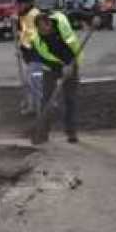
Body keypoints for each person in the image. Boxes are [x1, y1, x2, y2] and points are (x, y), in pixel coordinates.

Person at [33, 11, 83, 143]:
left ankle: (71, 132)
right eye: (40, 30)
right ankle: (42, 133)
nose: (43, 32)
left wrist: (69, 65)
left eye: (45, 28)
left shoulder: (62, 24)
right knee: (47, 99)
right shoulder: (38, 40)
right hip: (51, 68)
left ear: (49, 23)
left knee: (70, 99)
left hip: (71, 62)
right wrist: (62, 68)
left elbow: (71, 46)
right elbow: (47, 59)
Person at [16, 0, 43, 116]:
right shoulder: (25, 15)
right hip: (30, 55)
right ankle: (33, 106)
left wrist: (24, 46)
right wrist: (21, 47)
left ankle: (41, 107)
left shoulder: (33, 14)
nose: (18, 8)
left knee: (35, 81)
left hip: (37, 54)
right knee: (30, 81)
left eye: (19, 5)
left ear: (25, 4)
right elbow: (24, 33)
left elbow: (33, 35)